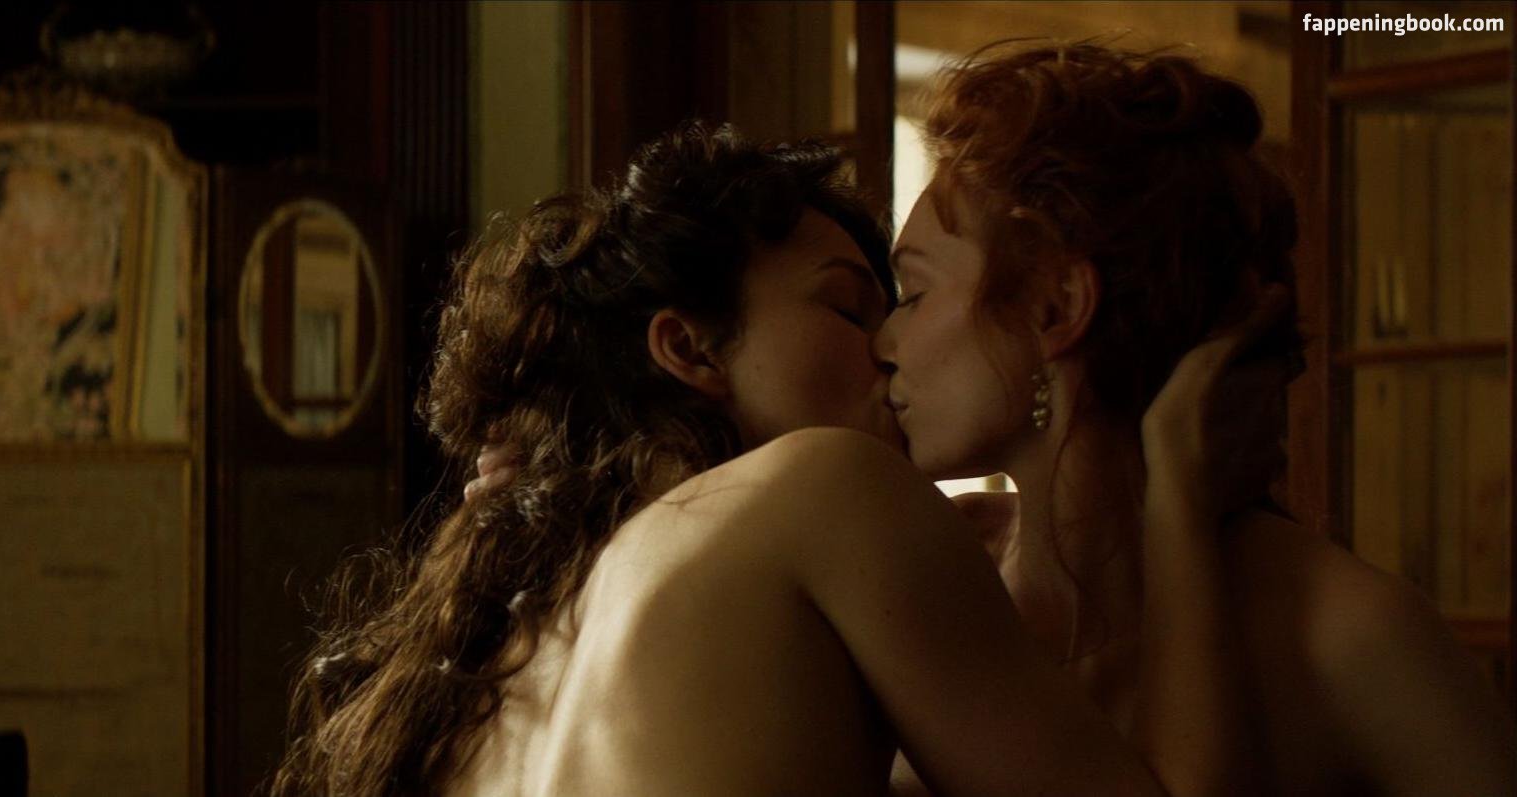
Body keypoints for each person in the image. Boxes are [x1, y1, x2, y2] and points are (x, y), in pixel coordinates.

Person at [270, 120, 1283, 796]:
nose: (891, 346)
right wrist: (1176, 492)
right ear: (690, 348)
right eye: (849, 306)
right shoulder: (826, 487)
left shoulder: (509, 632)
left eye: (904, 305)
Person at [875, 43, 1517, 795]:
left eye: (914, 294)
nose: (884, 341)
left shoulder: (1346, 631)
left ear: (1057, 307)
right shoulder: (946, 578)